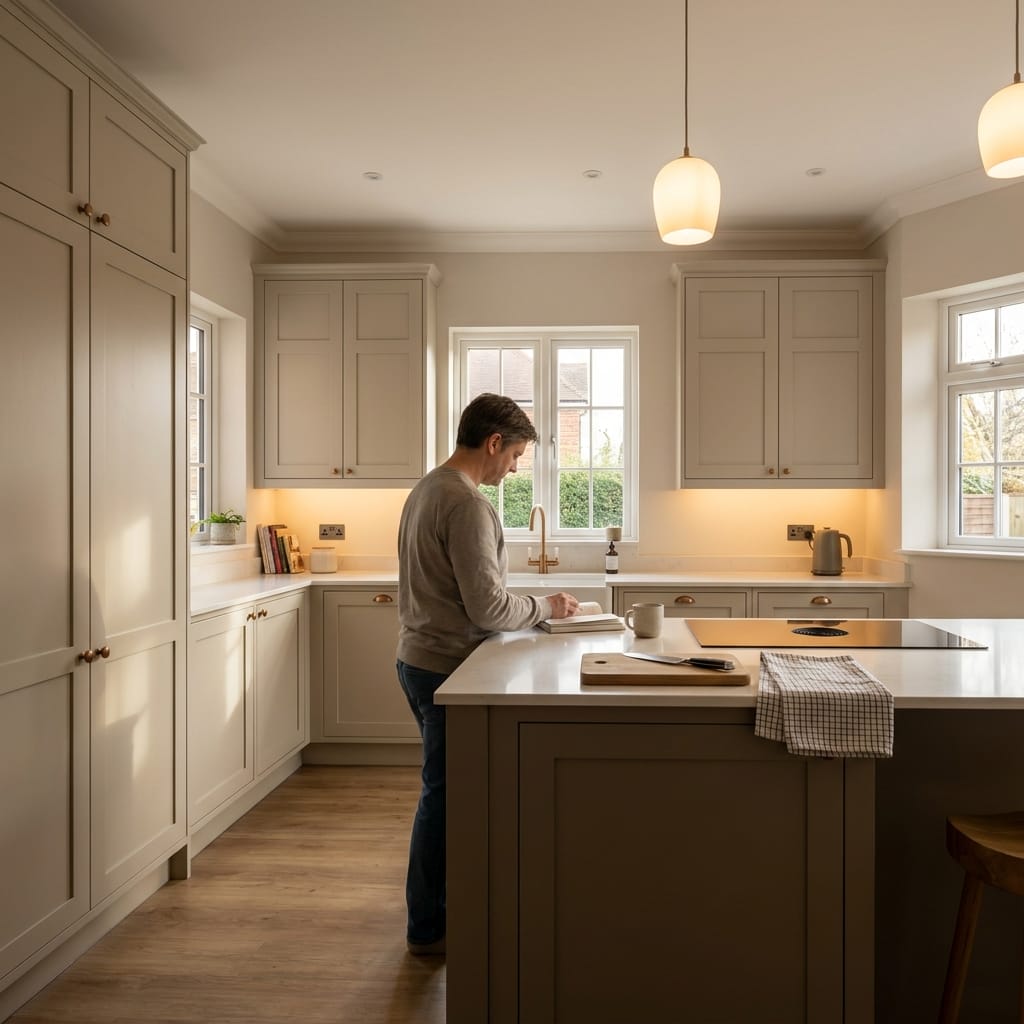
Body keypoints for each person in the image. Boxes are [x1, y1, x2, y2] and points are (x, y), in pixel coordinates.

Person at [396, 393, 580, 955]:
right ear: (494, 442)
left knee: (447, 793)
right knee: (446, 797)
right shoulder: (468, 502)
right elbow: (489, 609)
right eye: (517, 454)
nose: (516, 467)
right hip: (446, 669)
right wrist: (546, 607)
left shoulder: (428, 486)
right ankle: (427, 929)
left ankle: (444, 911)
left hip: (417, 658)